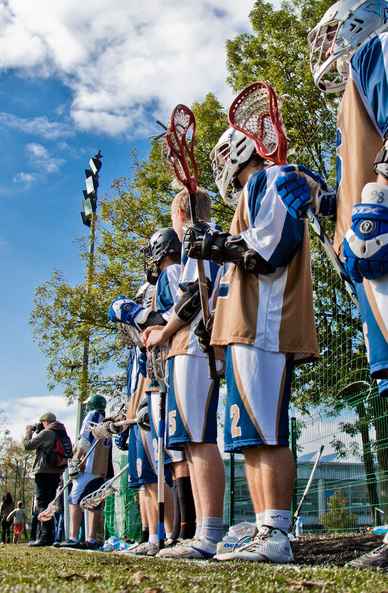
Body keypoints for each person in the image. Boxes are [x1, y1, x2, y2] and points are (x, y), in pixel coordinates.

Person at [284, 0, 388, 567]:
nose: (327, 48)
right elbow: (366, 173)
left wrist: (378, 201)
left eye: (332, 33)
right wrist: (320, 198)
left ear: (358, 24)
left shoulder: (385, 47)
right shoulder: (355, 91)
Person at [171, 124, 319, 564]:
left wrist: (212, 244)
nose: (219, 168)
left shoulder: (269, 179)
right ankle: (263, 528)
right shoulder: (250, 192)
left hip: (265, 324)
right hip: (243, 326)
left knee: (266, 431)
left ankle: (275, 533)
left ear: (237, 152)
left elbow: (269, 251)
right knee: (251, 436)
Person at [140, 188, 220, 559]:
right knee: (191, 440)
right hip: (191, 346)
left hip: (195, 346)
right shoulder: (204, 236)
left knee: (199, 438)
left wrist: (162, 330)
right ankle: (202, 531)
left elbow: (193, 295)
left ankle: (209, 532)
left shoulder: (199, 237)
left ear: (179, 213)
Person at [108, 230, 180, 555]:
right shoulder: (136, 352)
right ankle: (152, 538)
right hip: (142, 403)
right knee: (145, 479)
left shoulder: (169, 283)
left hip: (161, 393)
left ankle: (173, 535)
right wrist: (127, 413)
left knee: (163, 471)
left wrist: (141, 315)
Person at [61, 394, 113, 549]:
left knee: (74, 501)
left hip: (89, 466)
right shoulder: (106, 420)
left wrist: (76, 460)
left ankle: (74, 538)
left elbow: (84, 441)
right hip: (101, 468)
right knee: (94, 504)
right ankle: (91, 540)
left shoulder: (92, 415)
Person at [22, 412, 70, 547]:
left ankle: (45, 537)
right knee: (50, 504)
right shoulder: (61, 432)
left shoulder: (47, 433)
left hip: (43, 472)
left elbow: (27, 445)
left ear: (45, 422)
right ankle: (49, 535)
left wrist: (28, 433)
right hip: (56, 472)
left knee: (43, 504)